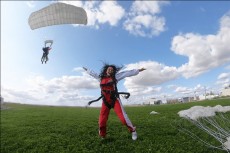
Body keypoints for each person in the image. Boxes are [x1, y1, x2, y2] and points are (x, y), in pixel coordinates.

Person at [83, 64, 146, 140]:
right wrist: (87, 70)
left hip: (115, 100)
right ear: (106, 70)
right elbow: (93, 74)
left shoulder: (116, 77)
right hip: (105, 101)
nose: (110, 70)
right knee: (102, 121)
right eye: (109, 69)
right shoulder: (100, 78)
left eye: (112, 70)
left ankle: (133, 131)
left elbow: (126, 73)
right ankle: (103, 135)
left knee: (123, 119)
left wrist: (138, 70)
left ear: (113, 71)